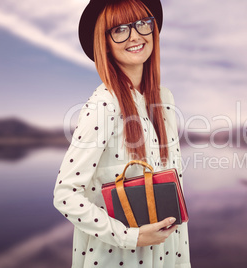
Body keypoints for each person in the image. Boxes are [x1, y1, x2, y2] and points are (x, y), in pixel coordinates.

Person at [53, 0, 191, 267]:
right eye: (119, 29)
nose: (135, 36)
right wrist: (131, 236)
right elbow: (65, 194)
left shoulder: (165, 99)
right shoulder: (105, 104)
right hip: (119, 257)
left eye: (142, 24)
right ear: (104, 43)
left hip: (168, 256)